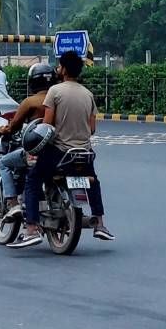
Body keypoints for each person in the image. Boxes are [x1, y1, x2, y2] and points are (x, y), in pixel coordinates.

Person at [11, 50, 114, 247]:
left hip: (59, 153)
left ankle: (31, 228)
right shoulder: (88, 94)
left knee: (32, 179)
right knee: (93, 182)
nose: (58, 69)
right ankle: (100, 223)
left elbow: (46, 127)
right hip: (84, 154)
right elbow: (92, 129)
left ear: (64, 69)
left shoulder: (55, 92)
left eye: (59, 66)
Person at [0, 61, 54, 222]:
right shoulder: (59, 99)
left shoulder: (30, 102)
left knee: (4, 163)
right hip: (58, 149)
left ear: (32, 81)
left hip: (36, 149)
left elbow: (12, 127)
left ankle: (12, 203)